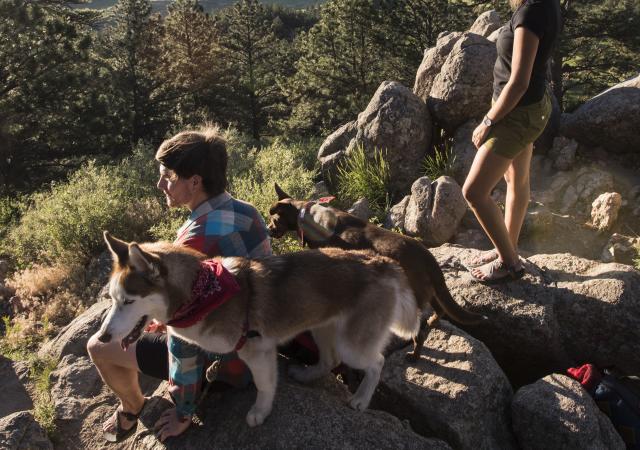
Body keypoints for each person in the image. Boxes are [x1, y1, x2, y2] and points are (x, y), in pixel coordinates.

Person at [87, 126, 272, 442]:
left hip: (225, 355)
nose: (160, 184)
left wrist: (184, 408)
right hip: (264, 332)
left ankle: (132, 406)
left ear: (195, 181)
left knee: (98, 347)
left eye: (168, 177)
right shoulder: (247, 211)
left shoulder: (192, 242)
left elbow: (182, 333)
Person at [462, 0, 562, 282]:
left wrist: (488, 121)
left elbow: (518, 82)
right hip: (528, 108)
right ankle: (506, 247)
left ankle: (509, 263)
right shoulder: (543, 5)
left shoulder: (531, 13)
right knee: (516, 181)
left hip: (516, 115)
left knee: (474, 192)